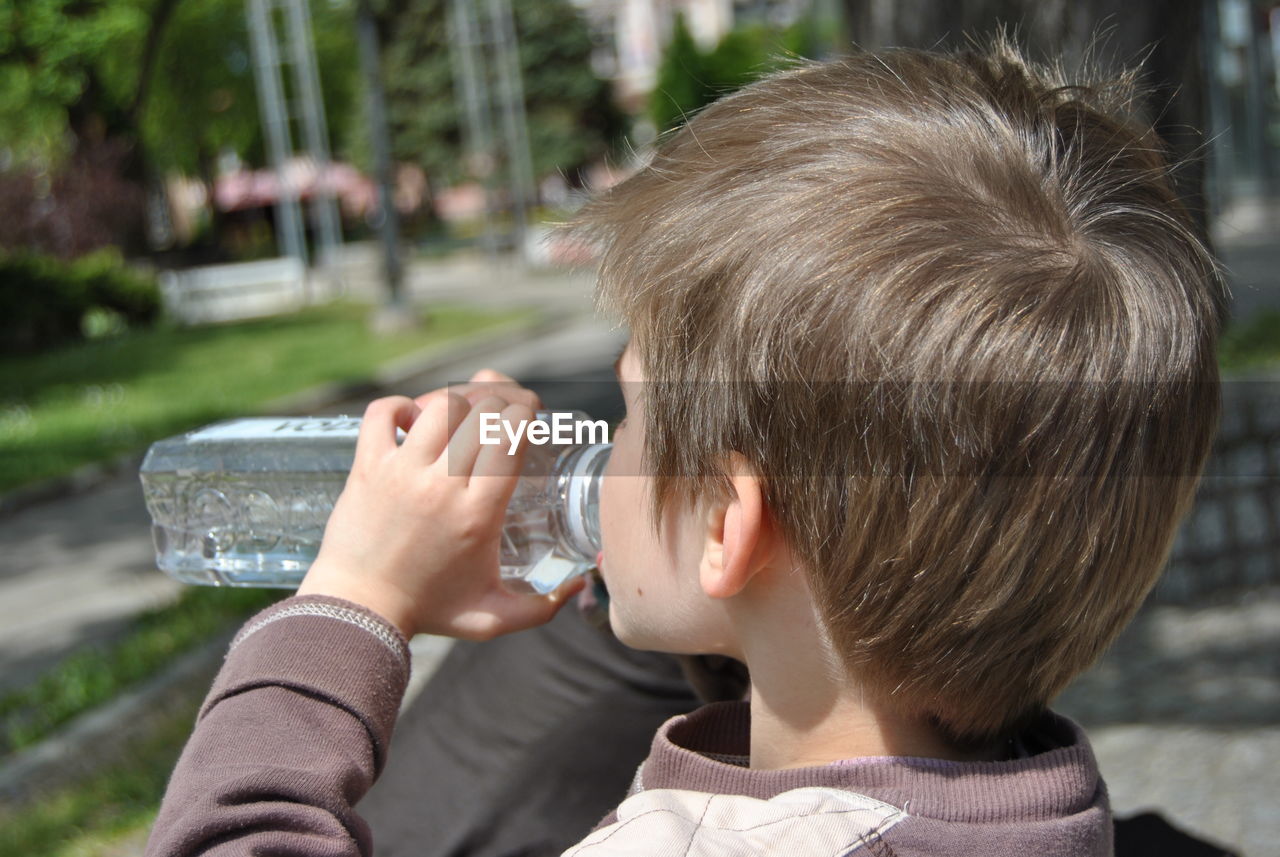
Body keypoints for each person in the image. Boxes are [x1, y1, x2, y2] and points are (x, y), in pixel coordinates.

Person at [144, 33, 1225, 857]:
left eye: (630, 418)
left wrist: (351, 601)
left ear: (724, 518)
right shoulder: (1035, 806)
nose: (602, 453)